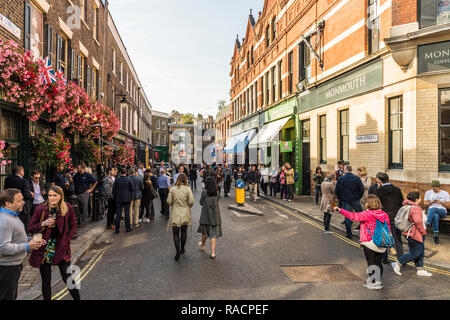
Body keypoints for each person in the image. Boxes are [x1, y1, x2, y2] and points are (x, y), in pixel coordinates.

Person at [28, 186, 80, 300]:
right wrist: (43, 224)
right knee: (46, 280)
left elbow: (73, 225)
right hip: (45, 248)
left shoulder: (67, 208)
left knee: (68, 277)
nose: (52, 198)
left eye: (55, 195)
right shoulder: (41, 209)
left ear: (60, 196)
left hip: (61, 246)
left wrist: (67, 239)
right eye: (50, 195)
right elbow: (30, 227)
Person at [334, 195, 391, 290]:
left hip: (370, 243)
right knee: (378, 263)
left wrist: (340, 210)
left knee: (371, 263)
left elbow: (353, 216)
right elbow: (388, 228)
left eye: (367, 202)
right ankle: (378, 281)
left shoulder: (367, 214)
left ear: (369, 204)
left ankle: (373, 283)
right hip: (382, 242)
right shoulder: (384, 214)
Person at [0, 189, 44, 300]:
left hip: (13, 266)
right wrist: (28, 246)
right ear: (8, 203)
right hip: (7, 269)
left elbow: (15, 237)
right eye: (19, 201)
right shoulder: (5, 221)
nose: (23, 202)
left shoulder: (13, 216)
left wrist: (30, 239)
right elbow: (3, 247)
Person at [391, 192, 432, 277]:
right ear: (417, 199)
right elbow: (417, 221)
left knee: (417, 251)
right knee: (417, 252)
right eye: (420, 197)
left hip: (409, 233)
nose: (421, 198)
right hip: (415, 233)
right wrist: (423, 232)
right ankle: (398, 264)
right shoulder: (415, 208)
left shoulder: (407, 205)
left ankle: (420, 269)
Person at [375, 172, 404, 259]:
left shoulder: (378, 191)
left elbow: (376, 206)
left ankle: (385, 258)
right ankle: (401, 259)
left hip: (384, 218)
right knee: (397, 239)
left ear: (380, 180)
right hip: (395, 217)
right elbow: (401, 202)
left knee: (384, 237)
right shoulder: (397, 189)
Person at [167, 174, 194, 261]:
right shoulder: (187, 189)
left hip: (175, 212)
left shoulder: (173, 189)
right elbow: (191, 201)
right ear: (185, 180)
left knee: (175, 233)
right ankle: (182, 248)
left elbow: (169, 201)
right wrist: (187, 205)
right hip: (185, 212)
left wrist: (173, 204)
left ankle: (177, 250)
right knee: (183, 232)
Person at [334, 166, 365, 239]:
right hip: (355, 199)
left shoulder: (341, 178)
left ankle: (349, 234)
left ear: (345, 170)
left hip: (345, 200)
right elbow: (361, 189)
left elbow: (337, 190)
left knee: (347, 216)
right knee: (360, 214)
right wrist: (358, 197)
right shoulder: (356, 178)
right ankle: (363, 232)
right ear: (351, 170)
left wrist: (340, 197)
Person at [198, 170, 222, 259]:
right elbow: (217, 202)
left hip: (205, 215)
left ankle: (203, 245)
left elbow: (201, 202)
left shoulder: (204, 192)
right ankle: (212, 252)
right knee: (213, 234)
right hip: (215, 216)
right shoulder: (217, 192)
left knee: (204, 232)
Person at [424, 180, 450, 245]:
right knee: (435, 216)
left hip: (442, 211)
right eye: (433, 188)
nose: (434, 189)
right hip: (432, 213)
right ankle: (436, 236)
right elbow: (425, 204)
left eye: (436, 188)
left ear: (439, 187)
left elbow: (448, 206)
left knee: (433, 208)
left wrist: (441, 202)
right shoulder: (428, 193)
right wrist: (432, 202)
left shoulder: (445, 193)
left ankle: (427, 223)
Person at [72, 164, 97, 228]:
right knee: (78, 209)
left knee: (84, 208)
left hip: (84, 194)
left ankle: (84, 222)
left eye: (78, 168)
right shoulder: (76, 175)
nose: (77, 169)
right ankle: (79, 221)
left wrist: (91, 189)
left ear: (82, 169)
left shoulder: (87, 175)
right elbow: (73, 181)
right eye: (77, 168)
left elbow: (95, 181)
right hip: (77, 194)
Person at [112, 168, 135, 233]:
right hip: (127, 198)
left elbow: (114, 190)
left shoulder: (117, 180)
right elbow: (132, 188)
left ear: (120, 173)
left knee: (118, 214)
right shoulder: (129, 179)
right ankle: (127, 228)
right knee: (127, 214)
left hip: (118, 198)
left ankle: (117, 229)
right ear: (126, 172)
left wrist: (115, 197)